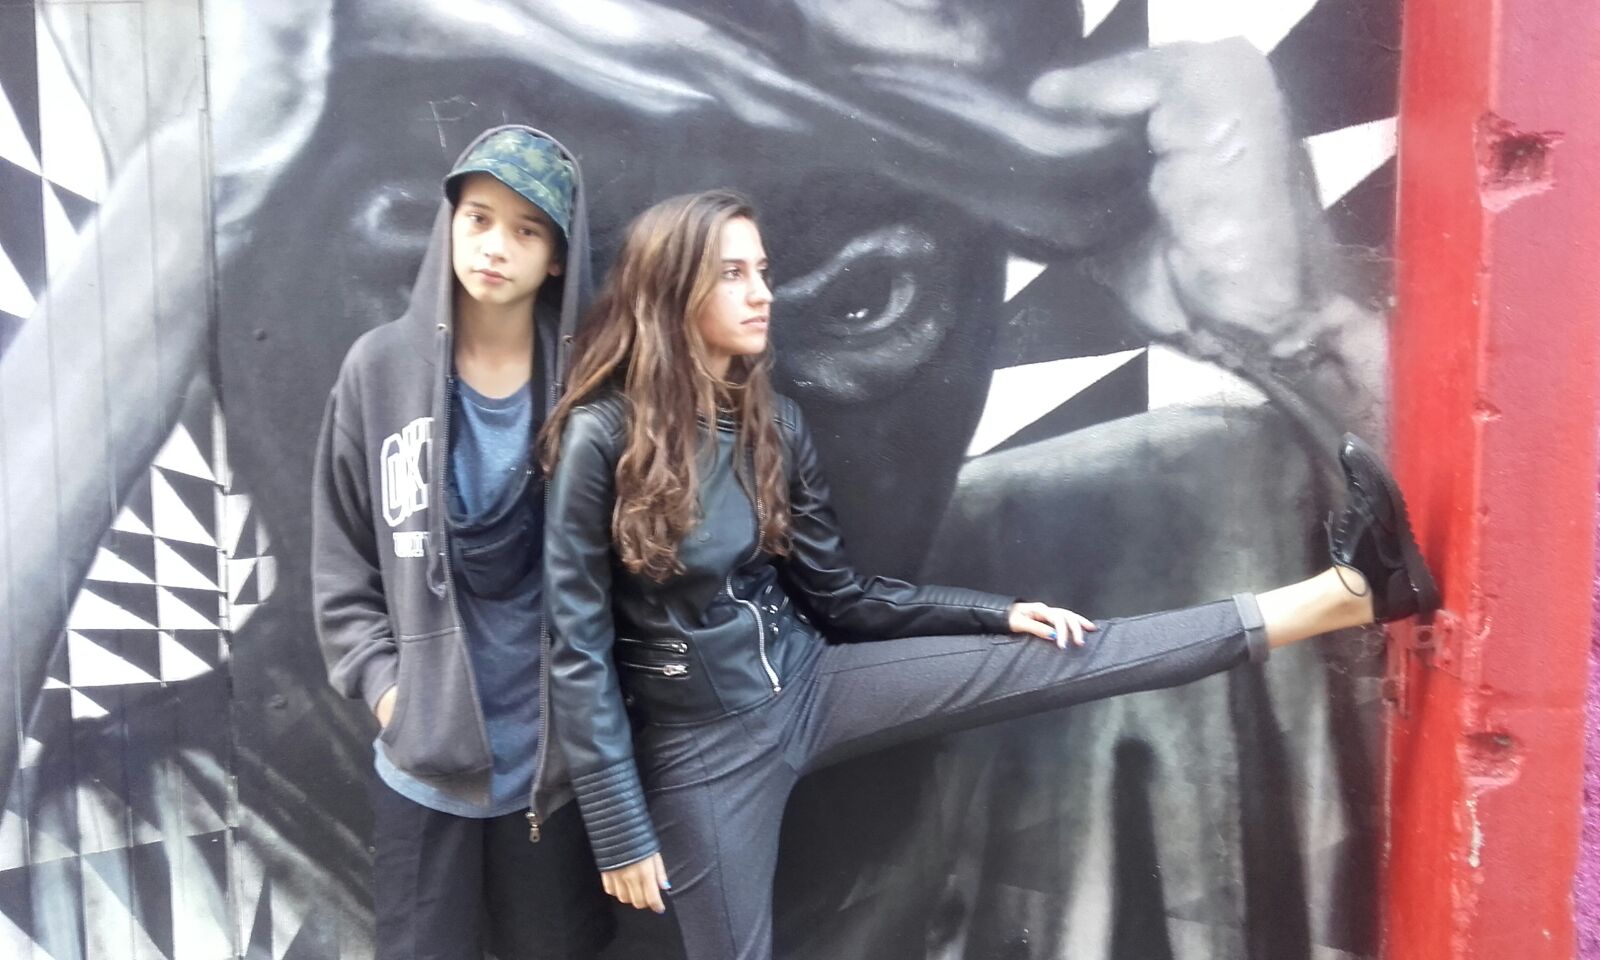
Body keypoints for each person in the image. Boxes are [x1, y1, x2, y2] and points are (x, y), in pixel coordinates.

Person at [540, 189, 1438, 960]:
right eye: (734, 274)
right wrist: (618, 827)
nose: (761, 293)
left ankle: (1350, 594)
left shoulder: (772, 423)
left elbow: (844, 598)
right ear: (671, 288)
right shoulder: (601, 438)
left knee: (1077, 651)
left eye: (762, 271)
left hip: (812, 685)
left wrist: (996, 614)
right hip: (706, 748)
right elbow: (577, 652)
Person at [311, 125, 613, 958]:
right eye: (478, 218)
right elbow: (341, 562)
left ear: (558, 256)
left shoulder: (592, 389)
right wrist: (391, 695)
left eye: (527, 229)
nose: (494, 246)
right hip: (424, 767)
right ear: (449, 224)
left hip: (553, 772)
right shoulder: (378, 370)